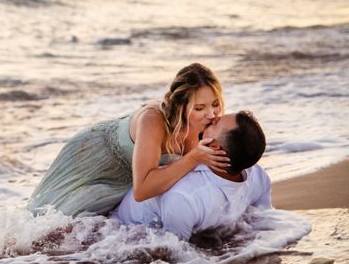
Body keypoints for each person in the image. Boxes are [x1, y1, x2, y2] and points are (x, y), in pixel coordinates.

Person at [28, 63, 231, 217]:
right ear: (180, 106)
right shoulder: (153, 120)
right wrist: (193, 158)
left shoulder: (204, 124)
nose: (212, 114)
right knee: (55, 226)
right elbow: (142, 191)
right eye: (199, 108)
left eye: (215, 104)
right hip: (97, 157)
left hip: (128, 176)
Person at [114, 111, 271, 240]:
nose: (213, 117)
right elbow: (170, 253)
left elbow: (264, 223)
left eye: (216, 123)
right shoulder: (185, 195)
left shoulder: (257, 177)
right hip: (120, 232)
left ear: (215, 148)